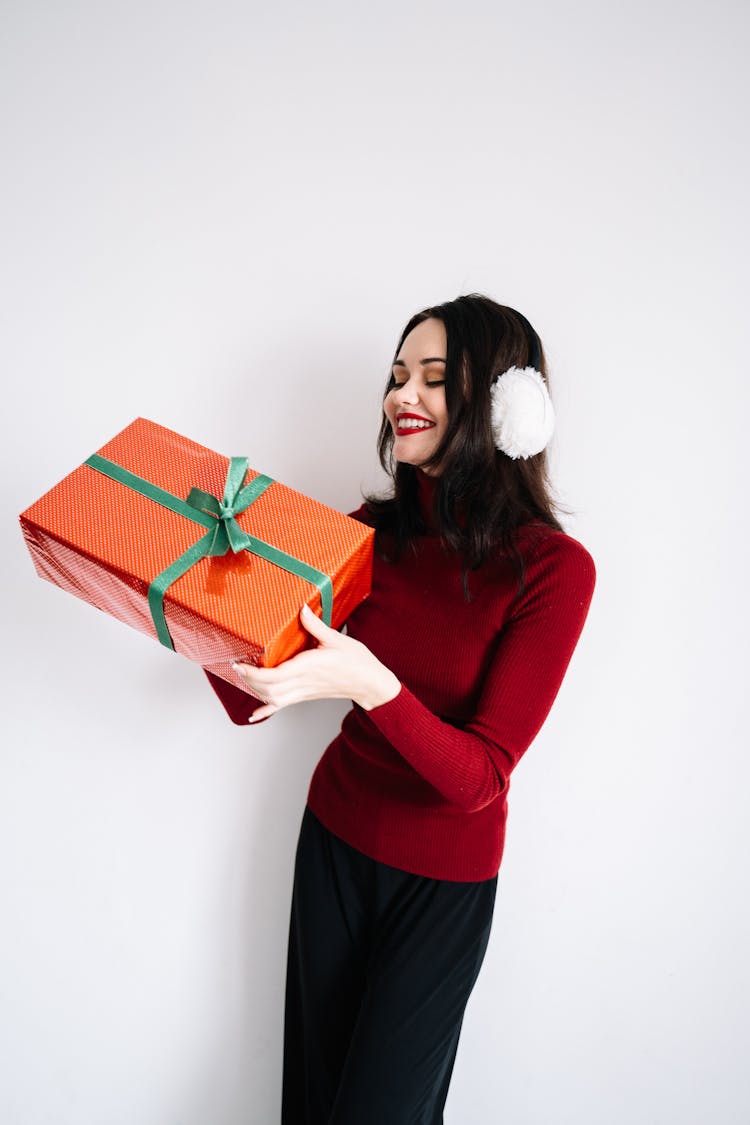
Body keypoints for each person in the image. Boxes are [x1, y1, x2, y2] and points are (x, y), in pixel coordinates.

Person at [205, 294, 597, 1123]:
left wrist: (369, 679)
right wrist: (206, 601)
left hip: (444, 887)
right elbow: (248, 704)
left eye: (432, 377)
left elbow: (480, 777)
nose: (400, 396)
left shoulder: (555, 570)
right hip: (334, 845)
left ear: (502, 404)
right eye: (395, 376)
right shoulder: (358, 539)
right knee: (312, 1103)